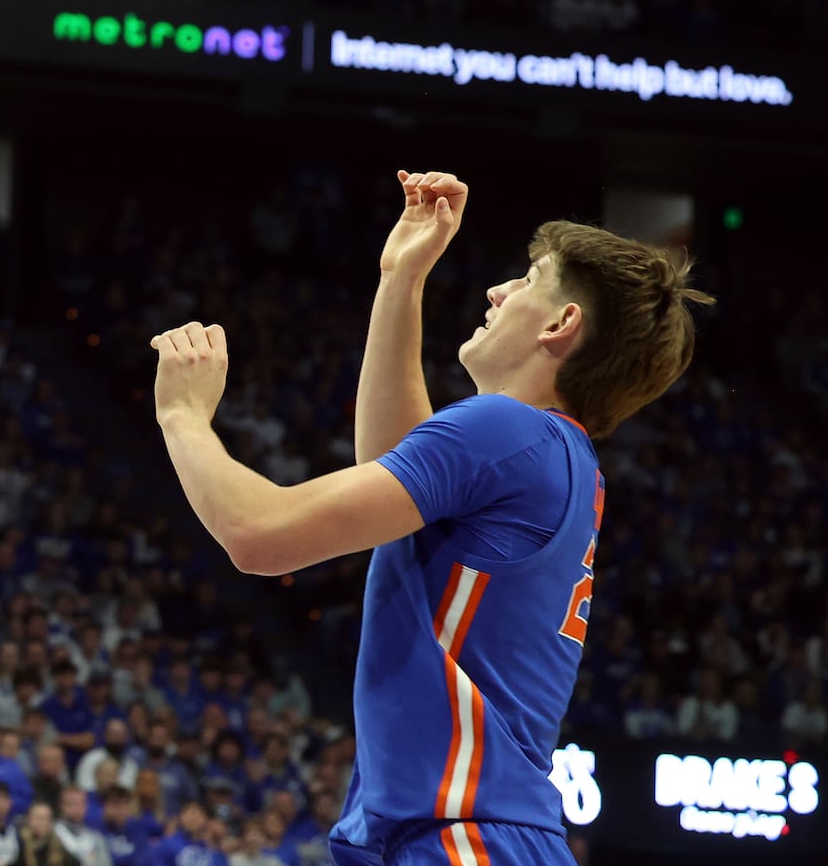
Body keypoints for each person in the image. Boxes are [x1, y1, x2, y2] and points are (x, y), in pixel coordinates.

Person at [150, 170, 713, 866]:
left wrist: (182, 416)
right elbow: (389, 475)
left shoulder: (508, 430)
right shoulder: (552, 454)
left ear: (562, 322)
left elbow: (258, 535)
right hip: (460, 830)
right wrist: (401, 277)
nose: (496, 291)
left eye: (529, 279)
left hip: (464, 830)